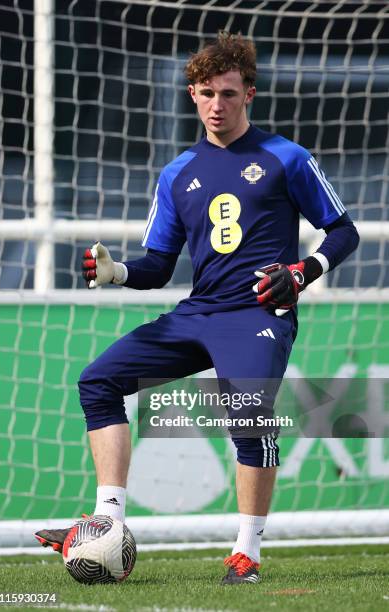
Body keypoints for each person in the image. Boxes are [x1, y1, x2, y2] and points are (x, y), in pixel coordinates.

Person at [35, 32, 359, 584]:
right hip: (198, 312)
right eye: (207, 92)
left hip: (258, 314)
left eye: (229, 94)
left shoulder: (287, 158)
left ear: (249, 94)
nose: (217, 104)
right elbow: (158, 266)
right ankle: (106, 520)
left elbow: (343, 231)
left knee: (249, 416)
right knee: (98, 381)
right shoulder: (177, 173)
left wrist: (304, 271)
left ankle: (247, 553)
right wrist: (117, 273)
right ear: (192, 94)